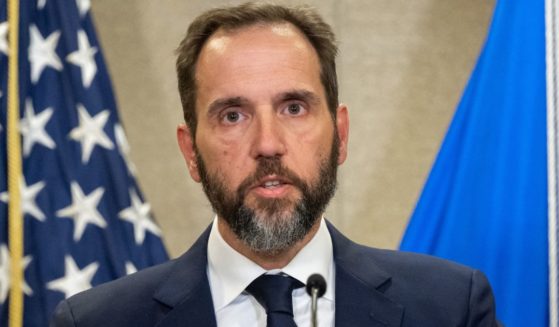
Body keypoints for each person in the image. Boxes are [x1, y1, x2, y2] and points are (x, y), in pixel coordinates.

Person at [50, 2, 499, 326]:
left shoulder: (450, 307)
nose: (267, 144)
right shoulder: (97, 321)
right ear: (191, 152)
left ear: (340, 135)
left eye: (294, 108)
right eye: (232, 116)